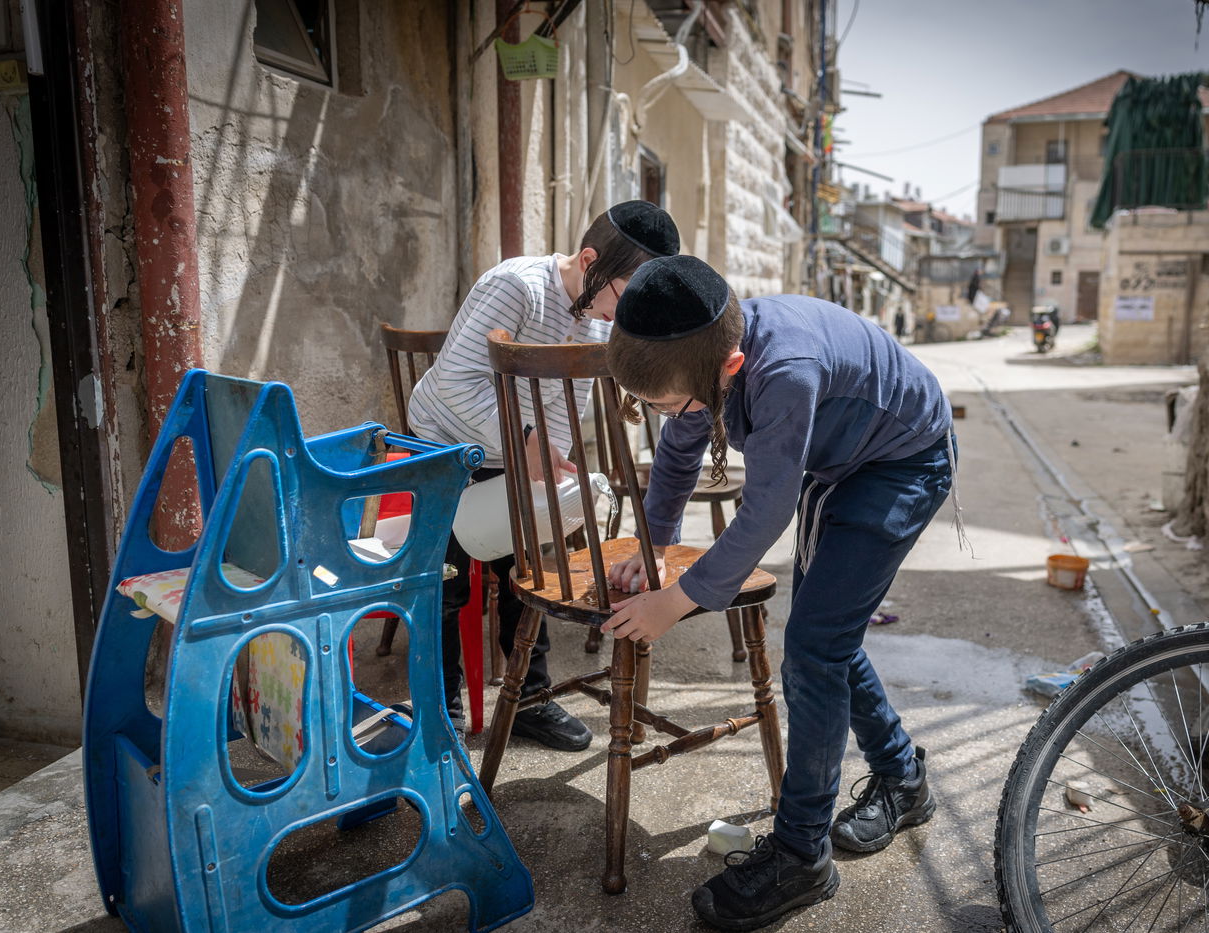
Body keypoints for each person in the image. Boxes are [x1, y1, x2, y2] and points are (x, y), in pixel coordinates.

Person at [599, 256, 959, 930]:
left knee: (816, 645)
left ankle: (800, 855)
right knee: (825, 639)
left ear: (728, 371)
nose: (666, 418)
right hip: (845, 459)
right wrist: (652, 553)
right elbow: (678, 453)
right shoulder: (705, 347)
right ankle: (905, 778)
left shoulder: (783, 371)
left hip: (903, 461)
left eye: (670, 404)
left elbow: (764, 513)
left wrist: (672, 601)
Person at [407, 201, 681, 750]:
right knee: (446, 586)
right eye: (626, 296)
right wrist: (529, 443)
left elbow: (562, 403)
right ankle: (440, 714)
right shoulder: (517, 287)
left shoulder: (600, 316)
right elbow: (456, 383)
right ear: (589, 261)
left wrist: (544, 457)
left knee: (526, 580)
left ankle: (530, 699)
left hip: (516, 457)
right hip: (446, 447)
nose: (623, 316)